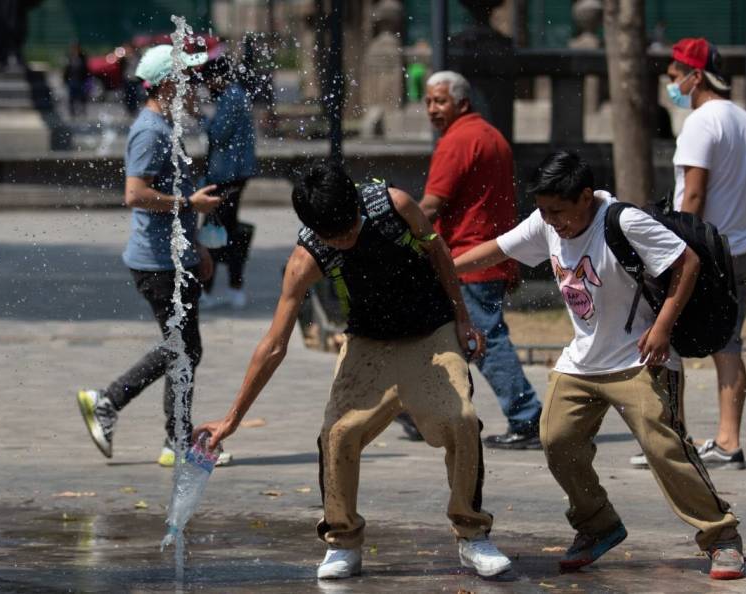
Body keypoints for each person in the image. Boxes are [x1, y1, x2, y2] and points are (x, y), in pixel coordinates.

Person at [193, 162, 512, 580]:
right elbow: (273, 345)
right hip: (367, 344)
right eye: (334, 236)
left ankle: (472, 536)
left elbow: (437, 250)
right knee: (338, 433)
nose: (345, 239)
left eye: (349, 227)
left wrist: (463, 319)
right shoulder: (306, 257)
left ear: (356, 204)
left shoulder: (394, 205)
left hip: (431, 334)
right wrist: (232, 418)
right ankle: (343, 542)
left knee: (462, 420)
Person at [454, 151, 745, 580]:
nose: (551, 221)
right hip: (581, 360)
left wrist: (663, 327)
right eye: (543, 211)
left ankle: (721, 538)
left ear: (586, 197)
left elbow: (688, 262)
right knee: (556, 439)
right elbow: (495, 251)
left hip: (639, 356)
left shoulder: (623, 221)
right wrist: (440, 267)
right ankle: (598, 524)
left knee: (664, 448)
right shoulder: (546, 221)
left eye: (559, 211)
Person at [76, 45, 228, 468]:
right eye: (188, 79)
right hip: (156, 263)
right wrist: (190, 205)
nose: (196, 87)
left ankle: (175, 440)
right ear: (167, 84)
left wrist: (197, 244)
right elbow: (135, 194)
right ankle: (109, 400)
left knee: (185, 348)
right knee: (182, 347)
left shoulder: (167, 125)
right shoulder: (150, 131)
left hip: (173, 257)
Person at [395, 70, 543, 450]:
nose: (432, 109)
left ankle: (526, 419)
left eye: (439, 101)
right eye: (428, 101)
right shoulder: (491, 136)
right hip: (488, 255)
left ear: (461, 103)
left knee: (484, 339)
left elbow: (429, 205)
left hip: (465, 258)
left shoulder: (457, 141)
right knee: (436, 333)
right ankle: (417, 410)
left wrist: (388, 229)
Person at [632, 38, 746, 470]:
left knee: (667, 340)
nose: (671, 85)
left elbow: (696, 192)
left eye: (673, 77)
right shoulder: (744, 119)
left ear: (695, 75)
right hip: (740, 248)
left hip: (700, 252)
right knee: (729, 344)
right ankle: (728, 442)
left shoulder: (701, 123)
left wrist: (677, 247)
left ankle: (673, 438)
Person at [197, 55, 258, 310]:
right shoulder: (236, 95)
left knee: (215, 229)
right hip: (232, 175)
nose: (207, 85)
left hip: (226, 177)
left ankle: (212, 290)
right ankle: (231, 288)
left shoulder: (231, 97)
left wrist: (199, 116)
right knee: (225, 230)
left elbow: (218, 133)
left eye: (209, 80)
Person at [63, 42, 89, 118]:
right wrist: (65, 79)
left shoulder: (83, 57)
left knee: (82, 97)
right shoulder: (70, 57)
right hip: (72, 80)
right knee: (71, 97)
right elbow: (66, 69)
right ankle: (72, 112)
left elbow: (86, 69)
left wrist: (86, 79)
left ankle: (82, 111)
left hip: (81, 80)